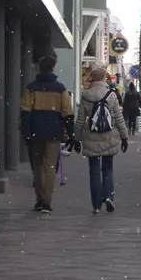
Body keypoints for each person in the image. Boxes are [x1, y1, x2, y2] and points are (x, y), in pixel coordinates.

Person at [21, 54, 74, 214]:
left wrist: (27, 132)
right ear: (53, 68)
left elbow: (25, 112)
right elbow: (67, 112)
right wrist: (70, 134)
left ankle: (39, 199)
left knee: (37, 167)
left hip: (36, 132)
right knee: (50, 167)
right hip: (54, 132)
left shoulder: (30, 88)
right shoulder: (60, 88)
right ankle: (47, 202)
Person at [74, 67, 131, 215]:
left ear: (92, 78)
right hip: (109, 135)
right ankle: (108, 196)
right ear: (104, 79)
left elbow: (80, 120)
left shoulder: (85, 95)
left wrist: (76, 139)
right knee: (108, 168)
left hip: (91, 136)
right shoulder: (111, 95)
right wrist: (124, 137)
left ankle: (96, 205)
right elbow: (119, 118)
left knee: (94, 171)